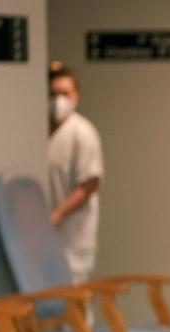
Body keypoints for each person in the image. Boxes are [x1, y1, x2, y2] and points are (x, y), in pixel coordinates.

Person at [47, 62, 103, 283]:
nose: (59, 100)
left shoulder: (83, 132)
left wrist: (59, 213)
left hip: (74, 229)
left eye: (65, 93)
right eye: (53, 94)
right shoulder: (37, 131)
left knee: (75, 289)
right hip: (45, 230)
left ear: (76, 96)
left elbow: (89, 183)